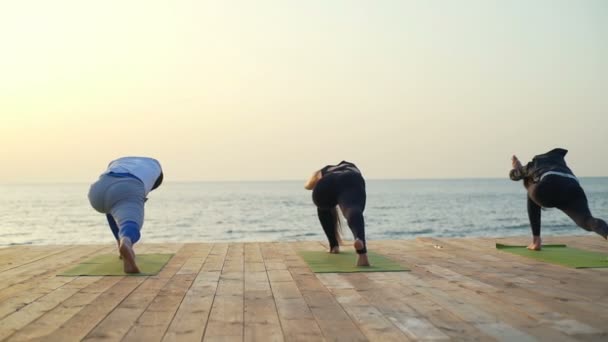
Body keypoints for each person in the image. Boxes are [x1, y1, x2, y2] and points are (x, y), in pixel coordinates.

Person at [510, 148, 607, 250]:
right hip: (574, 187)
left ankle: (536, 241)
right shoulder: (562, 166)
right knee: (588, 221)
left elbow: (513, 176)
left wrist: (517, 168)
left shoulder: (535, 163)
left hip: (548, 185)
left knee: (530, 186)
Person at [88, 156, 163, 273]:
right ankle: (127, 242)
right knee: (130, 223)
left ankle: (121, 245)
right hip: (129, 185)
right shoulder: (156, 171)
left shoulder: (120, 162)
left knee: (113, 209)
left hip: (97, 190)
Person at [305, 160, 369, 266]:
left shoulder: (326, 170)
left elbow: (308, 186)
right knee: (352, 209)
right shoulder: (352, 169)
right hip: (350, 179)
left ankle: (334, 246)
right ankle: (362, 252)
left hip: (324, 185)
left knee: (323, 206)